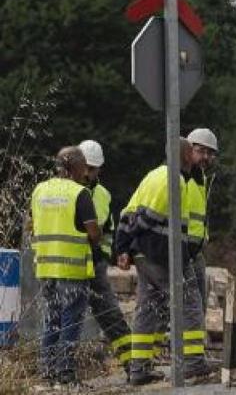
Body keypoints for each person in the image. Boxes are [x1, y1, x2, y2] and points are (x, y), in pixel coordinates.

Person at [114, 138, 210, 385]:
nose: (197, 157)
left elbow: (129, 210)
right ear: (186, 156)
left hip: (145, 255)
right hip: (163, 255)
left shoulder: (153, 175)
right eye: (193, 151)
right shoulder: (173, 180)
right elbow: (146, 217)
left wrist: (123, 246)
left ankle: (139, 370)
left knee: (147, 310)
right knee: (190, 303)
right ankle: (193, 364)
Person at [29, 146, 100, 386]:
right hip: (72, 269)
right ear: (77, 167)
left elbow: (32, 225)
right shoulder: (80, 193)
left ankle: (47, 371)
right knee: (71, 321)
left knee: (52, 319)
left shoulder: (40, 190)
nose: (86, 173)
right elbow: (93, 232)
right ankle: (66, 374)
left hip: (46, 267)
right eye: (84, 167)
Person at [78, 140, 132, 374]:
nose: (88, 173)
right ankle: (61, 369)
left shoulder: (103, 195)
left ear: (99, 169)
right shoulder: (67, 191)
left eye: (93, 168)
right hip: (70, 264)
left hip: (95, 263)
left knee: (110, 314)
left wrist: (109, 254)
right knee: (66, 316)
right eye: (86, 167)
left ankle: (133, 362)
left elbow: (109, 229)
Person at [184, 127, 217, 314]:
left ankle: (191, 342)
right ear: (189, 150)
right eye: (201, 151)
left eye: (210, 153)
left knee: (198, 305)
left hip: (195, 252)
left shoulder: (201, 179)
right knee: (190, 306)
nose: (206, 157)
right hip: (180, 250)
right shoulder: (181, 177)